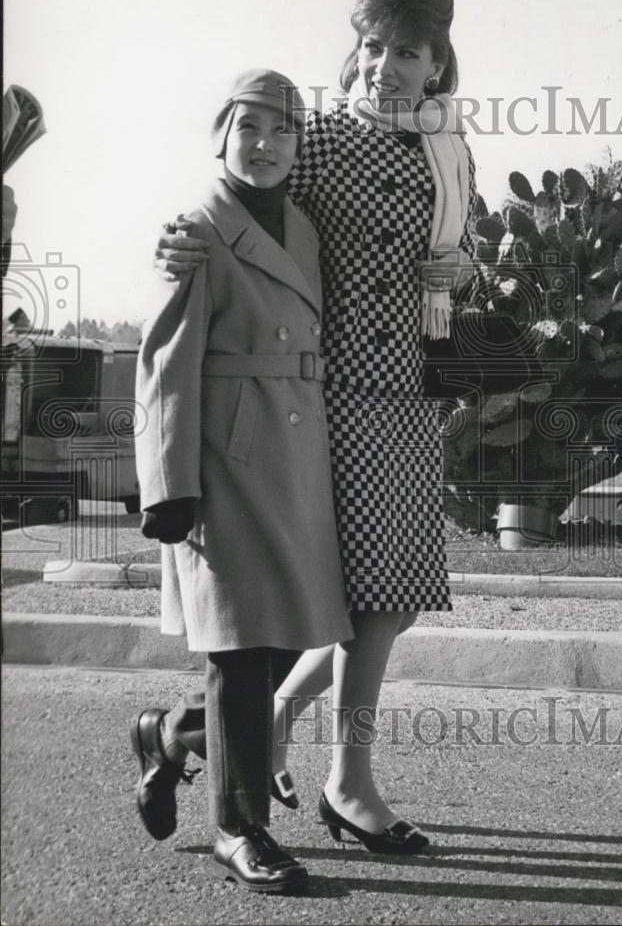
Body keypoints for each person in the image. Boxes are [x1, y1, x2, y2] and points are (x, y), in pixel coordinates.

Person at [152, 0, 477, 853]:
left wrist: (464, 266)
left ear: (438, 60)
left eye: (405, 51)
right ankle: (348, 782)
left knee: (385, 599)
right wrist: (179, 236)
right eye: (373, 47)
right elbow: (245, 195)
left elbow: (465, 242)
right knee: (368, 599)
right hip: (321, 396)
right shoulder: (325, 138)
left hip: (409, 393)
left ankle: (193, 734)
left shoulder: (449, 148)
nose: (385, 67)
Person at [132, 67, 353, 893]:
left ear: (300, 144)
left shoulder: (302, 223)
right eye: (249, 128)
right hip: (226, 456)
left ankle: (174, 736)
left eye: (282, 131)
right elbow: (163, 361)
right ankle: (238, 826)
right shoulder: (198, 226)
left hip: (296, 451)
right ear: (220, 134)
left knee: (291, 633)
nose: (265, 146)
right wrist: (167, 483)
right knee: (239, 645)